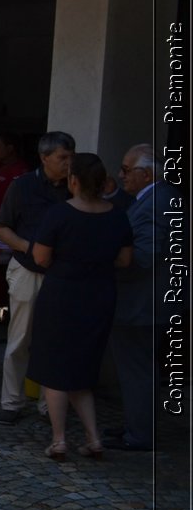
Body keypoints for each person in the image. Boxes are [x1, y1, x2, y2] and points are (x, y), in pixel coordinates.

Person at [28, 153, 134, 461]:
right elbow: (125, 260)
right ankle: (93, 437)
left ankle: (59, 439)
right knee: (83, 369)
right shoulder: (117, 215)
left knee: (54, 368)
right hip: (99, 294)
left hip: (63, 293)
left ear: (73, 181)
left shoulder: (59, 214)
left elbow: (41, 257)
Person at [0, 131, 75, 424]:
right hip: (28, 268)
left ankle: (47, 404)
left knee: (54, 340)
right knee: (20, 338)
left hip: (62, 273)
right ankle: (12, 401)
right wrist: (30, 248)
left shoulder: (74, 187)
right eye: (62, 158)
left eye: (70, 157)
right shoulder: (23, 186)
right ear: (45, 157)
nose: (68, 163)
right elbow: (1, 227)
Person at [107, 144, 166, 451]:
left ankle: (140, 433)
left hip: (141, 302)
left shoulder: (158, 202)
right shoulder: (151, 198)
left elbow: (144, 256)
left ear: (146, 174)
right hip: (142, 300)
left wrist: (105, 255)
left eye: (127, 171)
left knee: (138, 370)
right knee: (136, 369)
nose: (122, 175)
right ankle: (135, 425)